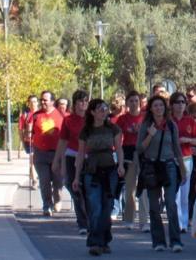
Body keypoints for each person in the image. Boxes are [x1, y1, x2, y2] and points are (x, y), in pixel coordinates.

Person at [73, 99, 125, 256]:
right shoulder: (86, 130)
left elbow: (119, 149)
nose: (104, 111)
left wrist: (121, 165)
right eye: (100, 109)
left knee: (107, 207)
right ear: (93, 112)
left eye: (105, 108)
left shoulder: (112, 128)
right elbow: (81, 154)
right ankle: (95, 242)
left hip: (110, 171)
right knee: (95, 207)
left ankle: (104, 240)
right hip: (92, 172)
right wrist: (76, 177)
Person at [136, 95, 188, 252]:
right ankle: (158, 241)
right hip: (151, 167)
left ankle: (175, 241)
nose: (159, 108)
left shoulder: (171, 126)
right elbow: (139, 149)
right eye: (155, 105)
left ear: (165, 108)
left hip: (168, 165)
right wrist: (150, 134)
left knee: (171, 203)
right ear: (151, 108)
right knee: (154, 206)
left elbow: (177, 148)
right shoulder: (145, 126)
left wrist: (182, 168)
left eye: (161, 105)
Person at [52, 90, 90, 234]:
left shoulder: (91, 119)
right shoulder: (68, 120)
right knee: (74, 188)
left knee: (87, 189)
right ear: (74, 103)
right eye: (80, 101)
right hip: (72, 155)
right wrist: (57, 161)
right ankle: (82, 223)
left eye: (85, 101)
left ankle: (89, 218)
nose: (83, 103)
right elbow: (63, 141)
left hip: (88, 156)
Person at [114, 91, 148, 231]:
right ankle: (129, 219)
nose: (134, 104)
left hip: (143, 153)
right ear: (127, 103)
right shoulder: (122, 119)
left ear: (140, 103)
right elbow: (118, 142)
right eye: (131, 101)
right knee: (130, 188)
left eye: (136, 101)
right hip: (128, 154)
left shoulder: (145, 117)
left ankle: (144, 221)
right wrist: (120, 162)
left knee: (144, 188)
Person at [29, 90, 65, 216]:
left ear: (52, 102)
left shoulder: (60, 115)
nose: (42, 102)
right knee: (44, 180)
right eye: (42, 100)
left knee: (58, 181)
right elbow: (31, 132)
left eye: (45, 100)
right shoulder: (35, 115)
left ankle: (58, 198)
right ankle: (47, 205)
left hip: (57, 154)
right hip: (40, 153)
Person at [170, 91, 196, 233]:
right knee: (174, 193)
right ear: (171, 105)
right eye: (178, 102)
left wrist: (188, 141)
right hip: (171, 159)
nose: (181, 105)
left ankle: (183, 223)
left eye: (183, 102)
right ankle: (175, 222)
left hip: (187, 158)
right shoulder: (168, 121)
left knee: (185, 192)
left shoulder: (190, 121)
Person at [19, 95, 39, 189]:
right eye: (31, 102)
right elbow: (20, 128)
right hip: (30, 141)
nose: (33, 104)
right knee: (32, 159)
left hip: (41, 141)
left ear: (37, 102)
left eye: (34, 102)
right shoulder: (25, 114)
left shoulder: (41, 113)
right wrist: (22, 140)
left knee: (38, 160)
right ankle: (34, 180)